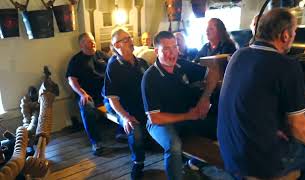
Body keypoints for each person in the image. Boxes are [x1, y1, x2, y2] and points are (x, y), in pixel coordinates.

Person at [218, 8, 305, 179]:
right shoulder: (286, 65)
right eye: (294, 32)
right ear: (285, 35)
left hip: (230, 151)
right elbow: (298, 125)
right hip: (259, 161)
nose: (294, 36)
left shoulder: (239, 55)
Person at [141, 31, 220, 180]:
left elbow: (213, 72)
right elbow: (154, 117)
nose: (172, 53)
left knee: (221, 127)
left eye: (175, 47)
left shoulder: (181, 65)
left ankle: (195, 163)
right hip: (160, 123)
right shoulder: (150, 77)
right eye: (166, 49)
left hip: (187, 117)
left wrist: (206, 96)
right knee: (174, 145)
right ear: (157, 51)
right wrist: (188, 115)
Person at [102, 28, 149, 180]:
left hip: (137, 102)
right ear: (116, 46)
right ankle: (138, 162)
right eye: (125, 39)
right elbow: (113, 99)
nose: (130, 41)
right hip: (118, 104)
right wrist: (125, 117)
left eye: (130, 37)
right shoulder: (113, 66)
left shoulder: (141, 63)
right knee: (133, 129)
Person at [66, 32, 108, 156]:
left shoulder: (102, 55)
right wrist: (82, 93)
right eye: (89, 41)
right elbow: (71, 80)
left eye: (93, 40)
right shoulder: (76, 60)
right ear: (81, 44)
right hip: (87, 95)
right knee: (87, 108)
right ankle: (96, 142)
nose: (93, 43)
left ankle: (121, 131)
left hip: (106, 93)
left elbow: (114, 68)